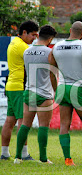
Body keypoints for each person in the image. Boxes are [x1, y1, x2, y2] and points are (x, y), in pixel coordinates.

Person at [49, 21, 82, 166]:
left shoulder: (57, 46)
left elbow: (51, 71)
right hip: (79, 88)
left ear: (70, 30)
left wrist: (56, 90)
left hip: (62, 88)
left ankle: (68, 160)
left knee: (64, 125)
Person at [14, 25, 57, 164]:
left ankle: (17, 157)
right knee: (44, 126)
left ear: (38, 35)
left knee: (25, 125)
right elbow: (52, 74)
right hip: (44, 93)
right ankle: (43, 159)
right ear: (50, 38)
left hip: (29, 91)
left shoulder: (27, 51)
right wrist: (56, 90)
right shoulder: (49, 52)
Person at [1, 20, 39, 160]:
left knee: (10, 120)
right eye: (33, 35)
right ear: (24, 32)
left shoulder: (14, 43)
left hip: (10, 86)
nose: (34, 38)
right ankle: (23, 154)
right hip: (19, 87)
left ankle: (4, 153)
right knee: (23, 121)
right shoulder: (23, 47)